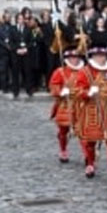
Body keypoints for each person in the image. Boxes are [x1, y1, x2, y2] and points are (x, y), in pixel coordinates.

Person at [74, 31, 107, 179]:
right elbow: (77, 91)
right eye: (99, 56)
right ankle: (90, 164)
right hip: (92, 108)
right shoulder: (84, 72)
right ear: (93, 56)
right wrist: (88, 92)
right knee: (91, 140)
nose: (101, 58)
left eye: (104, 55)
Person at [47, 31, 86, 164]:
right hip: (65, 104)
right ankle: (63, 149)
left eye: (76, 58)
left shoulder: (84, 71)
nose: (74, 60)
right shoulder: (60, 72)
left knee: (83, 131)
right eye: (72, 58)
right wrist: (60, 91)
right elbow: (53, 85)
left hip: (80, 104)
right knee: (63, 130)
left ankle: (87, 155)